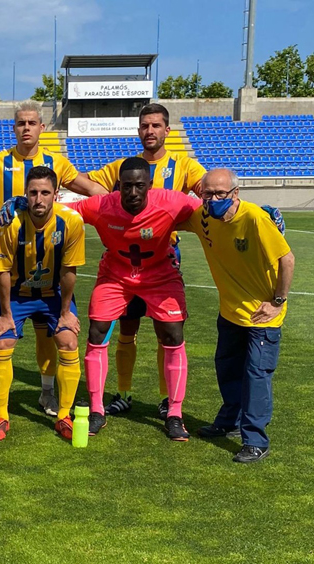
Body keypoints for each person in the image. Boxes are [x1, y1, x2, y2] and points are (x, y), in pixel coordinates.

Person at [0, 100, 105, 419]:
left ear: (42, 127)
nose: (26, 128)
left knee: (46, 334)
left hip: (46, 265)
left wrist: (113, 198)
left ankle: (47, 392)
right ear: (15, 128)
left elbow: (87, 186)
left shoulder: (56, 163)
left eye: (32, 123)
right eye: (21, 123)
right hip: (6, 264)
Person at [67, 157, 201, 441]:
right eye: (127, 186)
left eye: (139, 186)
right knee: (97, 331)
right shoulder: (103, 205)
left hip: (160, 274)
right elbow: (66, 211)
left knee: (173, 336)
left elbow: (207, 209)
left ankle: (175, 413)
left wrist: (254, 213)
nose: (133, 192)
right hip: (115, 275)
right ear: (118, 186)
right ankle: (97, 409)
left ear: (149, 186)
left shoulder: (171, 201)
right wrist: (21, 206)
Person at [88, 103, 206, 418]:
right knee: (127, 329)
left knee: (164, 332)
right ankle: (123, 393)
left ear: (167, 130)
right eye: (144, 126)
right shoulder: (123, 167)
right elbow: (84, 184)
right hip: (125, 256)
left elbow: (205, 190)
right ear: (138, 130)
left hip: (163, 257)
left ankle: (168, 399)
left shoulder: (184, 165)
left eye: (156, 126)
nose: (150, 131)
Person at [177, 169, 294, 463]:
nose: (214, 199)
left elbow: (287, 260)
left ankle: (255, 440)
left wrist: (278, 302)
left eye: (221, 194)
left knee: (256, 375)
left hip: (261, 315)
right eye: (208, 194)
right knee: (227, 368)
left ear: (235, 194)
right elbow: (172, 211)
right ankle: (229, 421)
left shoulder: (255, 218)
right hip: (230, 311)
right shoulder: (203, 217)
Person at [0, 166, 85, 442]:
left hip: (53, 294)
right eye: (33, 193)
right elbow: (2, 272)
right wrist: (5, 314)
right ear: (25, 195)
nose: (38, 199)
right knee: (2, 341)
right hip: (17, 294)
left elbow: (69, 271)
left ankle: (64, 414)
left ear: (56, 194)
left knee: (68, 340)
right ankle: (2, 416)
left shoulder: (71, 222)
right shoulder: (10, 223)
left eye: (45, 192)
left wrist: (66, 313)